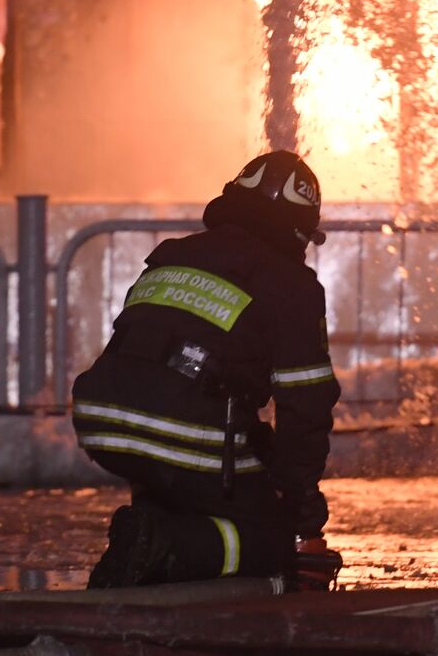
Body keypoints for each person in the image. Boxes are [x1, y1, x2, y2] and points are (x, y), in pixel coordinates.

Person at [71, 150, 341, 588]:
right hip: (176, 428)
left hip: (101, 416)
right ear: (301, 229)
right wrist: (300, 510)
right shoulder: (292, 284)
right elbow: (305, 408)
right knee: (272, 536)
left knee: (192, 477)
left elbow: (163, 367)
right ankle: (165, 543)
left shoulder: (174, 255)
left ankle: (147, 535)